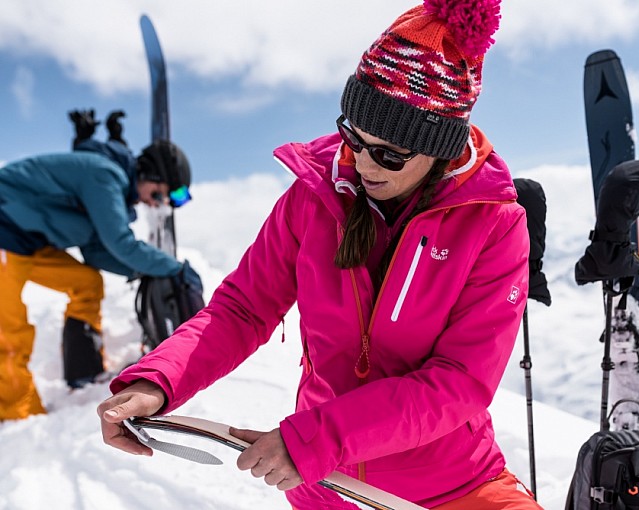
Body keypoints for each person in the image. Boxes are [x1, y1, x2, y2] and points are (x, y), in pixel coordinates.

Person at [98, 1, 539, 508]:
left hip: (448, 484)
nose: (363, 162)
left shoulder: (493, 225)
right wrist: (159, 379)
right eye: (354, 136)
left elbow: (459, 381)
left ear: (438, 147)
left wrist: (319, 438)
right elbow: (243, 307)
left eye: (390, 153)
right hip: (324, 483)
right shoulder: (313, 198)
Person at [0, 109, 201, 421]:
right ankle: (16, 414)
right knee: (10, 330)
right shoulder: (103, 175)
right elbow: (118, 241)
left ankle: (84, 370)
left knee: (86, 282)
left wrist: (141, 270)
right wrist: (170, 268)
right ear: (152, 175)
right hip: (5, 234)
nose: (158, 203)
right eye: (163, 193)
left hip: (29, 245)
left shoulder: (112, 189)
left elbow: (97, 253)